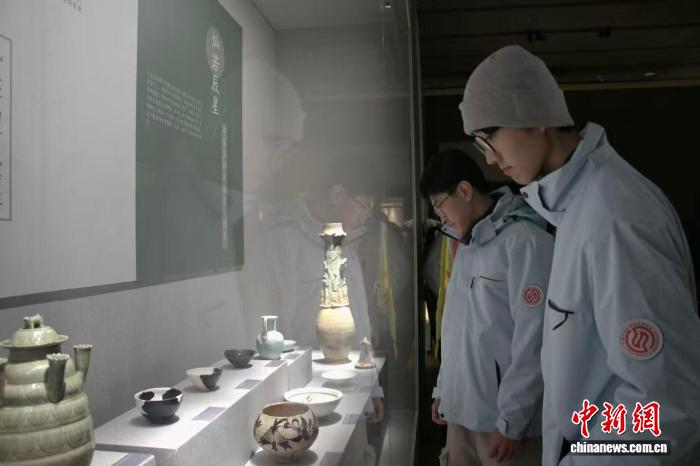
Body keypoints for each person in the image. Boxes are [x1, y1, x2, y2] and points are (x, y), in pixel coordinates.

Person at [459, 44, 700, 465]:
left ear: (534, 116)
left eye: (489, 137)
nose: (492, 160)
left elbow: (666, 407)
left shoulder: (614, 217)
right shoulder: (575, 207)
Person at [422, 149, 553, 466]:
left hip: (502, 421)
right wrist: (444, 390)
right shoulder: (467, 242)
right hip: (461, 411)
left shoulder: (525, 241)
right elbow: (454, 326)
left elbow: (534, 340)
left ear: (464, 191)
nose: (442, 217)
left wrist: (513, 420)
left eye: (440, 206)